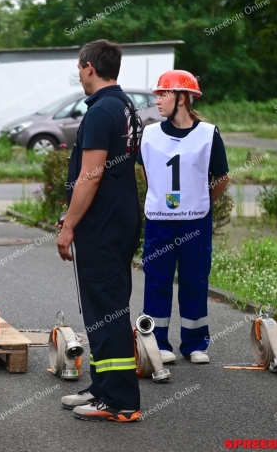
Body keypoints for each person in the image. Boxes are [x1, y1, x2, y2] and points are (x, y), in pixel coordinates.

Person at [56, 39, 142, 423]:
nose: (78, 73)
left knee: (107, 310)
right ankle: (102, 387)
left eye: (79, 67)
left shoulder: (99, 112)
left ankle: (121, 400)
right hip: (117, 220)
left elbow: (89, 177)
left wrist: (70, 225)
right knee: (103, 308)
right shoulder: (125, 107)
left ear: (89, 66)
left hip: (101, 226)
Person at [136, 70, 229, 364]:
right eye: (157, 94)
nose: (158, 100)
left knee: (195, 279)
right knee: (157, 280)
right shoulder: (149, 134)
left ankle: (195, 343)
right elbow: (146, 171)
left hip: (196, 222)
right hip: (159, 221)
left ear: (183, 98)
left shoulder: (208, 134)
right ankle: (158, 343)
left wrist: (201, 202)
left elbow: (222, 177)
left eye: (164, 94)